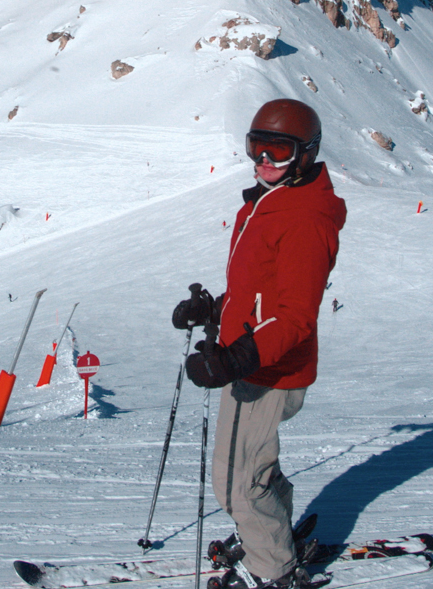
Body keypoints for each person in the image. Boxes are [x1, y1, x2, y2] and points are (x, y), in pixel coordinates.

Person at [172, 99, 346, 589]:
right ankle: (272, 536)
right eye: (257, 146)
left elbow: (294, 316)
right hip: (249, 363)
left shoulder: (304, 219)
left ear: (306, 154)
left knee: (236, 486)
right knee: (250, 471)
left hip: (268, 371)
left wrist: (235, 357)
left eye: (279, 149)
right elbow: (259, 291)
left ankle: (274, 570)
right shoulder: (265, 204)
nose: (264, 159)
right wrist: (214, 310)